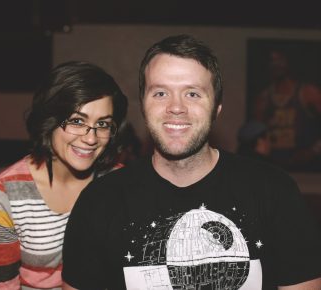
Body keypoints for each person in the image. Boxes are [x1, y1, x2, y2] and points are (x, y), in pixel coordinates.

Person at [62, 35, 321, 289]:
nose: (176, 107)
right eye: (161, 93)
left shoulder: (274, 190)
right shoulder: (99, 202)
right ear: (143, 105)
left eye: (193, 94)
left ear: (217, 107)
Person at [0, 61, 128, 289]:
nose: (91, 138)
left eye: (103, 124)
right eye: (77, 121)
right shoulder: (4, 196)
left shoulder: (118, 183)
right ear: (49, 120)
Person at [252, 48, 321, 171]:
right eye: (272, 61)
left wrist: (314, 150)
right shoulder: (263, 98)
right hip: (274, 166)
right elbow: (257, 136)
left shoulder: (307, 92)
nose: (276, 65)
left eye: (280, 60)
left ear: (289, 62)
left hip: (305, 168)